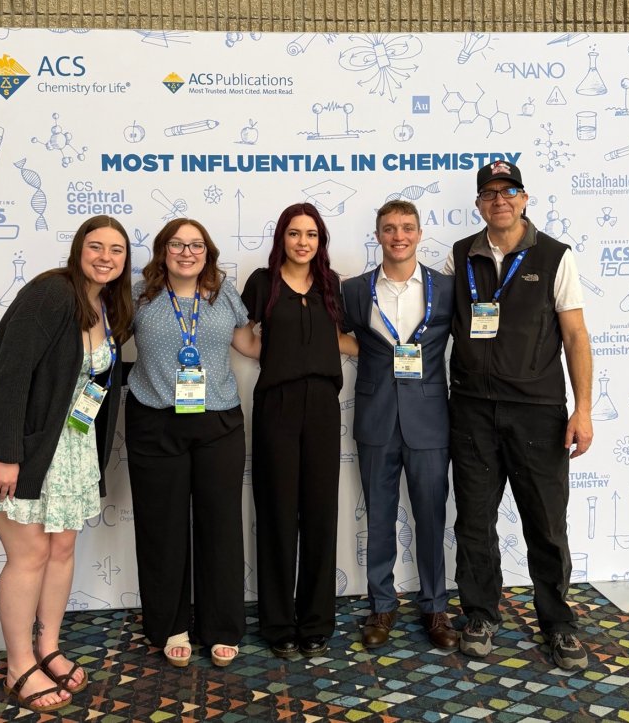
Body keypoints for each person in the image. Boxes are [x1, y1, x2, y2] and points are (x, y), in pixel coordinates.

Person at [0, 215, 133, 712]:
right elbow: (10, 376)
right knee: (28, 554)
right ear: (78, 249)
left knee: (62, 551)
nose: (105, 257)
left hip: (68, 449)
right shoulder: (51, 294)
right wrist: (6, 455)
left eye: (116, 250)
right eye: (96, 246)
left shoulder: (107, 306)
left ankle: (48, 648)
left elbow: (89, 379)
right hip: (19, 450)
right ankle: (18, 665)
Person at [443, 160, 593, 671]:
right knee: (475, 521)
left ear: (525, 199)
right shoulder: (459, 255)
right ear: (480, 203)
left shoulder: (554, 256)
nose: (499, 200)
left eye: (509, 192)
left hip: (537, 412)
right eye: (489, 193)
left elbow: (575, 336)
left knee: (546, 524)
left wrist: (584, 410)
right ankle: (480, 614)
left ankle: (557, 622)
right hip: (470, 410)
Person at [125, 217, 259, 668]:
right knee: (162, 527)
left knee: (220, 525)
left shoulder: (224, 294)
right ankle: (170, 624)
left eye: (197, 244)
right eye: (178, 244)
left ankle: (222, 625)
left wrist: (308, 320)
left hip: (218, 422)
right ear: (163, 251)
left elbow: (249, 345)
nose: (187, 252)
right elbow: (102, 341)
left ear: (209, 251)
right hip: (155, 421)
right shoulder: (139, 296)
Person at [241, 202, 356, 659]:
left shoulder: (332, 285)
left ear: (320, 241)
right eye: (294, 233)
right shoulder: (262, 282)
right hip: (277, 406)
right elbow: (239, 332)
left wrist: (316, 350)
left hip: (324, 407)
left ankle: (316, 622)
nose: (303, 241)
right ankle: (277, 624)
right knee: (276, 515)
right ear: (281, 238)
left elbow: (348, 340)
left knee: (320, 514)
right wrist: (275, 355)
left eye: (311, 234)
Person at [341, 200, 457, 652]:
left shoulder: (445, 289)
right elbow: (337, 334)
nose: (398, 236)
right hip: (375, 418)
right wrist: (368, 355)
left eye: (407, 228)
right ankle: (382, 605)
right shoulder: (354, 290)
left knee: (431, 516)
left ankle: (434, 607)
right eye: (389, 228)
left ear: (420, 233)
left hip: (429, 420)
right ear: (378, 235)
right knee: (379, 516)